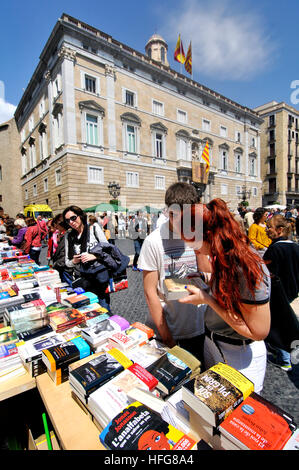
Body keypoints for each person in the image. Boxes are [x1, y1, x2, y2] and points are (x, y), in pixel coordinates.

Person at [178, 198, 271, 393]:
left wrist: (207, 299)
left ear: (209, 235)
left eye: (192, 241)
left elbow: (259, 331)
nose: (191, 247)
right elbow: (229, 294)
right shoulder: (223, 254)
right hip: (214, 342)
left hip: (241, 354)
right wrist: (206, 281)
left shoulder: (244, 266)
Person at [137, 182, 206, 364]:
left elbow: (206, 273)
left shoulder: (197, 235)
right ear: (170, 212)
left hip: (199, 328)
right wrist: (167, 337)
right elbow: (150, 292)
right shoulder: (153, 241)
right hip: (167, 333)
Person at [264, 215, 299, 371]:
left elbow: (268, 272)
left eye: (269, 228)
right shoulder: (295, 246)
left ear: (279, 230)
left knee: (279, 324)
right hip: (292, 290)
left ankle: (285, 359)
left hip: (278, 292)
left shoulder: (275, 249)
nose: (266, 230)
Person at [62, 205, 111, 311]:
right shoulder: (68, 236)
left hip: (98, 277)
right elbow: (67, 262)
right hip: (82, 280)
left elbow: (108, 250)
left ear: (80, 216)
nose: (71, 222)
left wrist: (94, 256)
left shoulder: (93, 228)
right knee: (87, 311)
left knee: (104, 309)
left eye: (73, 218)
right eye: (67, 220)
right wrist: (74, 261)